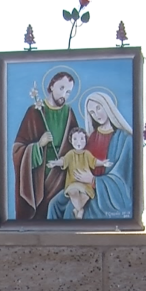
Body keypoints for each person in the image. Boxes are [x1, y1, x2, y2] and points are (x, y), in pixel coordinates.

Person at [47, 91, 133, 220]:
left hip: (104, 193)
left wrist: (93, 180)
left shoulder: (124, 139)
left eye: (99, 108)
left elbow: (123, 179)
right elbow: (80, 159)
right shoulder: (91, 137)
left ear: (107, 106)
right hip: (81, 184)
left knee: (71, 210)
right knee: (54, 204)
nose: (96, 114)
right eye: (92, 112)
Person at [12, 72, 79, 220]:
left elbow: (78, 145)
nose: (64, 94)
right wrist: (38, 145)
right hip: (39, 178)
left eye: (68, 92)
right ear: (51, 86)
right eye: (61, 88)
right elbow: (17, 149)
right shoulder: (35, 111)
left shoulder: (68, 113)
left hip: (61, 176)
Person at [47, 127, 112, 219]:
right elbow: (63, 161)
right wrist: (55, 163)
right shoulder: (71, 154)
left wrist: (103, 163)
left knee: (85, 196)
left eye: (82, 139)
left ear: (85, 140)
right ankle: (79, 210)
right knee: (74, 193)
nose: (79, 142)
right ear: (71, 140)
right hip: (73, 183)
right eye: (75, 139)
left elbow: (94, 162)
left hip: (86, 185)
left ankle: (78, 209)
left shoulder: (86, 154)